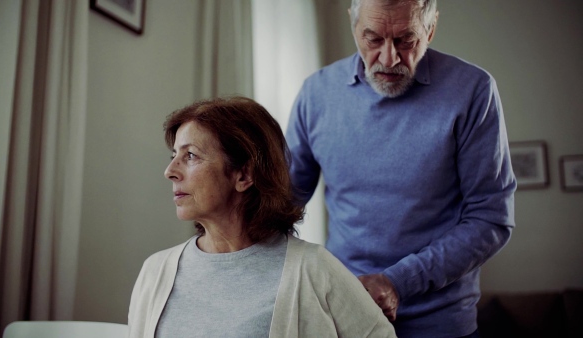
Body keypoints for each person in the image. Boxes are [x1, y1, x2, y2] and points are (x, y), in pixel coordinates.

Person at [285, 0, 516, 337]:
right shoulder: (315, 94)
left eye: (405, 40)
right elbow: (283, 200)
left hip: (441, 323)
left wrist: (397, 282)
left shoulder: (473, 90)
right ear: (354, 25)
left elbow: (491, 219)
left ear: (431, 29)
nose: (389, 58)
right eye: (373, 39)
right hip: (342, 316)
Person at [127, 96, 396, 338]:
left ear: (244, 175)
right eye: (174, 155)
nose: (170, 171)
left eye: (191, 156)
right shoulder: (156, 271)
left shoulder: (315, 269)